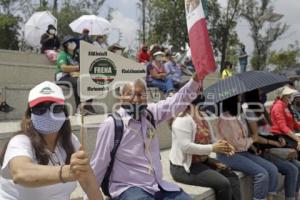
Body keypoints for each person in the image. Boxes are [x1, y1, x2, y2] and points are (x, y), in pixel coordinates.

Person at [85, 74, 204, 200]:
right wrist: (89, 196)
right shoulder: (112, 124)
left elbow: (175, 102)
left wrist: (195, 80)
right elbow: (99, 162)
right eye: (130, 94)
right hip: (129, 188)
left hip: (156, 186)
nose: (136, 99)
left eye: (141, 95)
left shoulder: (150, 114)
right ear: (120, 98)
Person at [0, 81, 103, 200]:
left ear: (64, 112)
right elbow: (20, 173)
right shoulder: (20, 141)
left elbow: (89, 182)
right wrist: (66, 172)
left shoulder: (70, 141)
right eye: (40, 108)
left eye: (56, 107)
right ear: (30, 114)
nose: (48, 113)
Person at [169, 95, 241, 200]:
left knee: (231, 176)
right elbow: (186, 147)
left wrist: (224, 145)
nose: (202, 94)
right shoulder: (182, 120)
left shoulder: (202, 116)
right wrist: (213, 148)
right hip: (184, 168)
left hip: (201, 161)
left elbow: (212, 139)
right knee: (223, 183)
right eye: (198, 90)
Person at [216, 95, 279, 200]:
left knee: (272, 169)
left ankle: (270, 197)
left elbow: (243, 138)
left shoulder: (236, 116)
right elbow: (236, 143)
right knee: (261, 174)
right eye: (238, 98)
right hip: (228, 154)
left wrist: (252, 145)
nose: (241, 101)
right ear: (232, 101)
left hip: (242, 151)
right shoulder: (225, 119)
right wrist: (252, 140)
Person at [244, 89, 300, 200]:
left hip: (270, 147)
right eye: (260, 94)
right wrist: (274, 142)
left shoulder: (261, 110)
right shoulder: (249, 112)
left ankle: (293, 196)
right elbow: (256, 137)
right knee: (291, 169)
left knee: (297, 167)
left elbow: (268, 131)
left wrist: (277, 139)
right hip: (260, 150)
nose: (263, 96)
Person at [56, 35, 95, 114]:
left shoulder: (76, 56)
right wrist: (78, 68)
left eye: (73, 42)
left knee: (92, 81)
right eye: (70, 42)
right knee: (78, 81)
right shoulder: (63, 54)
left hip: (75, 76)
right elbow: (63, 68)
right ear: (66, 44)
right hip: (63, 77)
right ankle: (79, 108)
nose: (73, 43)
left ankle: (87, 106)